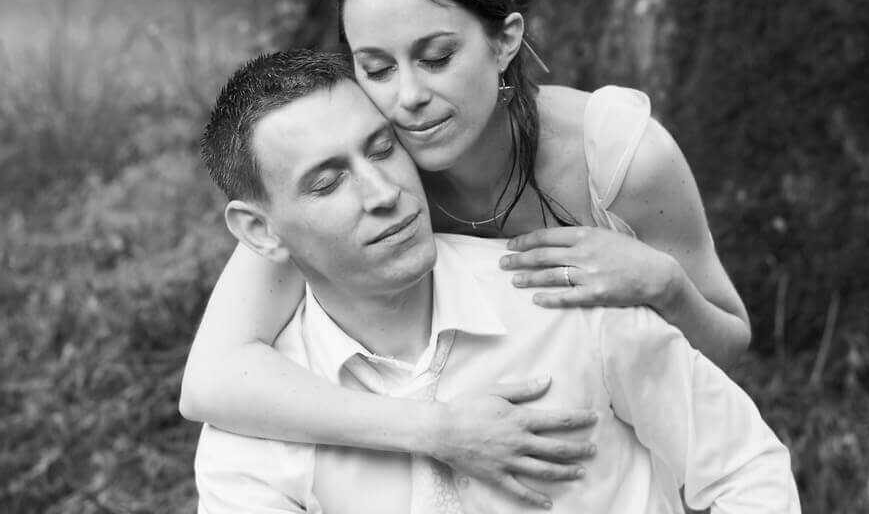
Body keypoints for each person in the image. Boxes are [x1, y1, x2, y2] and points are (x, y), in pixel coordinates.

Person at [180, 0, 752, 507]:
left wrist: (665, 286)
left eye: (436, 57)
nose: (408, 98)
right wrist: (437, 430)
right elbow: (212, 382)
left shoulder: (616, 158)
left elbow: (728, 349)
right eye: (376, 67)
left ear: (504, 40)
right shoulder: (371, 170)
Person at [194, 49, 799, 514]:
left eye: (382, 150)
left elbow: (745, 468)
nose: (383, 194)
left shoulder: (566, 298)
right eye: (327, 184)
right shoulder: (260, 428)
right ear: (260, 231)